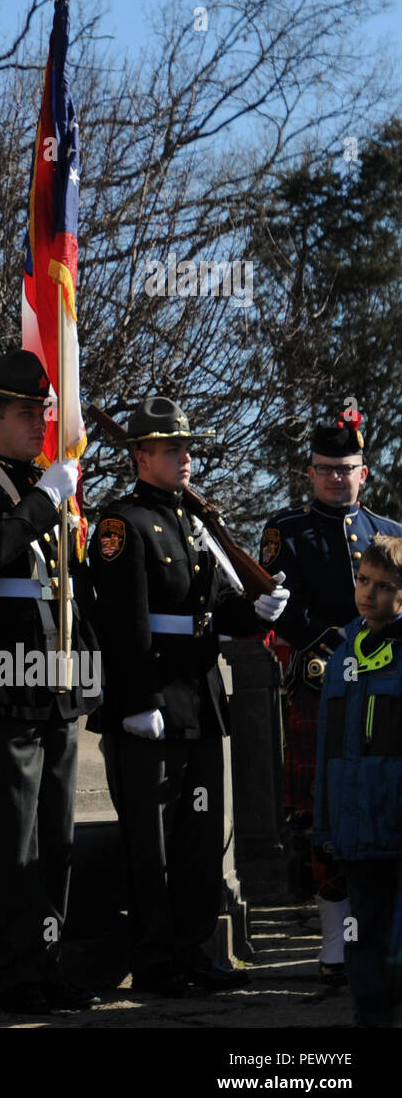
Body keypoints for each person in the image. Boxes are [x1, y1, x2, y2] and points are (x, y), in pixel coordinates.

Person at [90, 397, 288, 996]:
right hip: (153, 700)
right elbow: (125, 623)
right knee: (151, 844)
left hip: (200, 699)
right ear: (141, 456)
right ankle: (154, 957)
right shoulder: (123, 524)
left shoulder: (190, 521)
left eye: (187, 448)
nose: (186, 458)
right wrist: (134, 700)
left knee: (200, 836)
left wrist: (254, 612)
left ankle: (195, 948)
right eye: (172, 449)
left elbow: (205, 612)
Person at [0, 349, 102, 1015]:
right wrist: (46, 501)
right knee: (15, 832)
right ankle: (15, 969)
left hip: (55, 680)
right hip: (5, 680)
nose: (41, 423)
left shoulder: (50, 483)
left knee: (56, 835)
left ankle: (48, 960)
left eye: (44, 410)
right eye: (25, 413)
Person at [261, 413, 401, 982]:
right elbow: (269, 596)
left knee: (379, 809)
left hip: (386, 694)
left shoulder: (388, 531)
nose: (334, 480)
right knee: (326, 817)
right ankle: (335, 946)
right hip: (322, 691)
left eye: (344, 470)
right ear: (310, 472)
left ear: (363, 472)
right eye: (324, 470)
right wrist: (329, 637)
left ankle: (374, 938)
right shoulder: (286, 529)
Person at [313, 533, 402, 1028]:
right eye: (363, 581)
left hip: (395, 817)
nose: (369, 593)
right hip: (356, 827)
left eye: (385, 586)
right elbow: (328, 748)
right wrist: (326, 825)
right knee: (361, 935)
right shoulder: (343, 654)